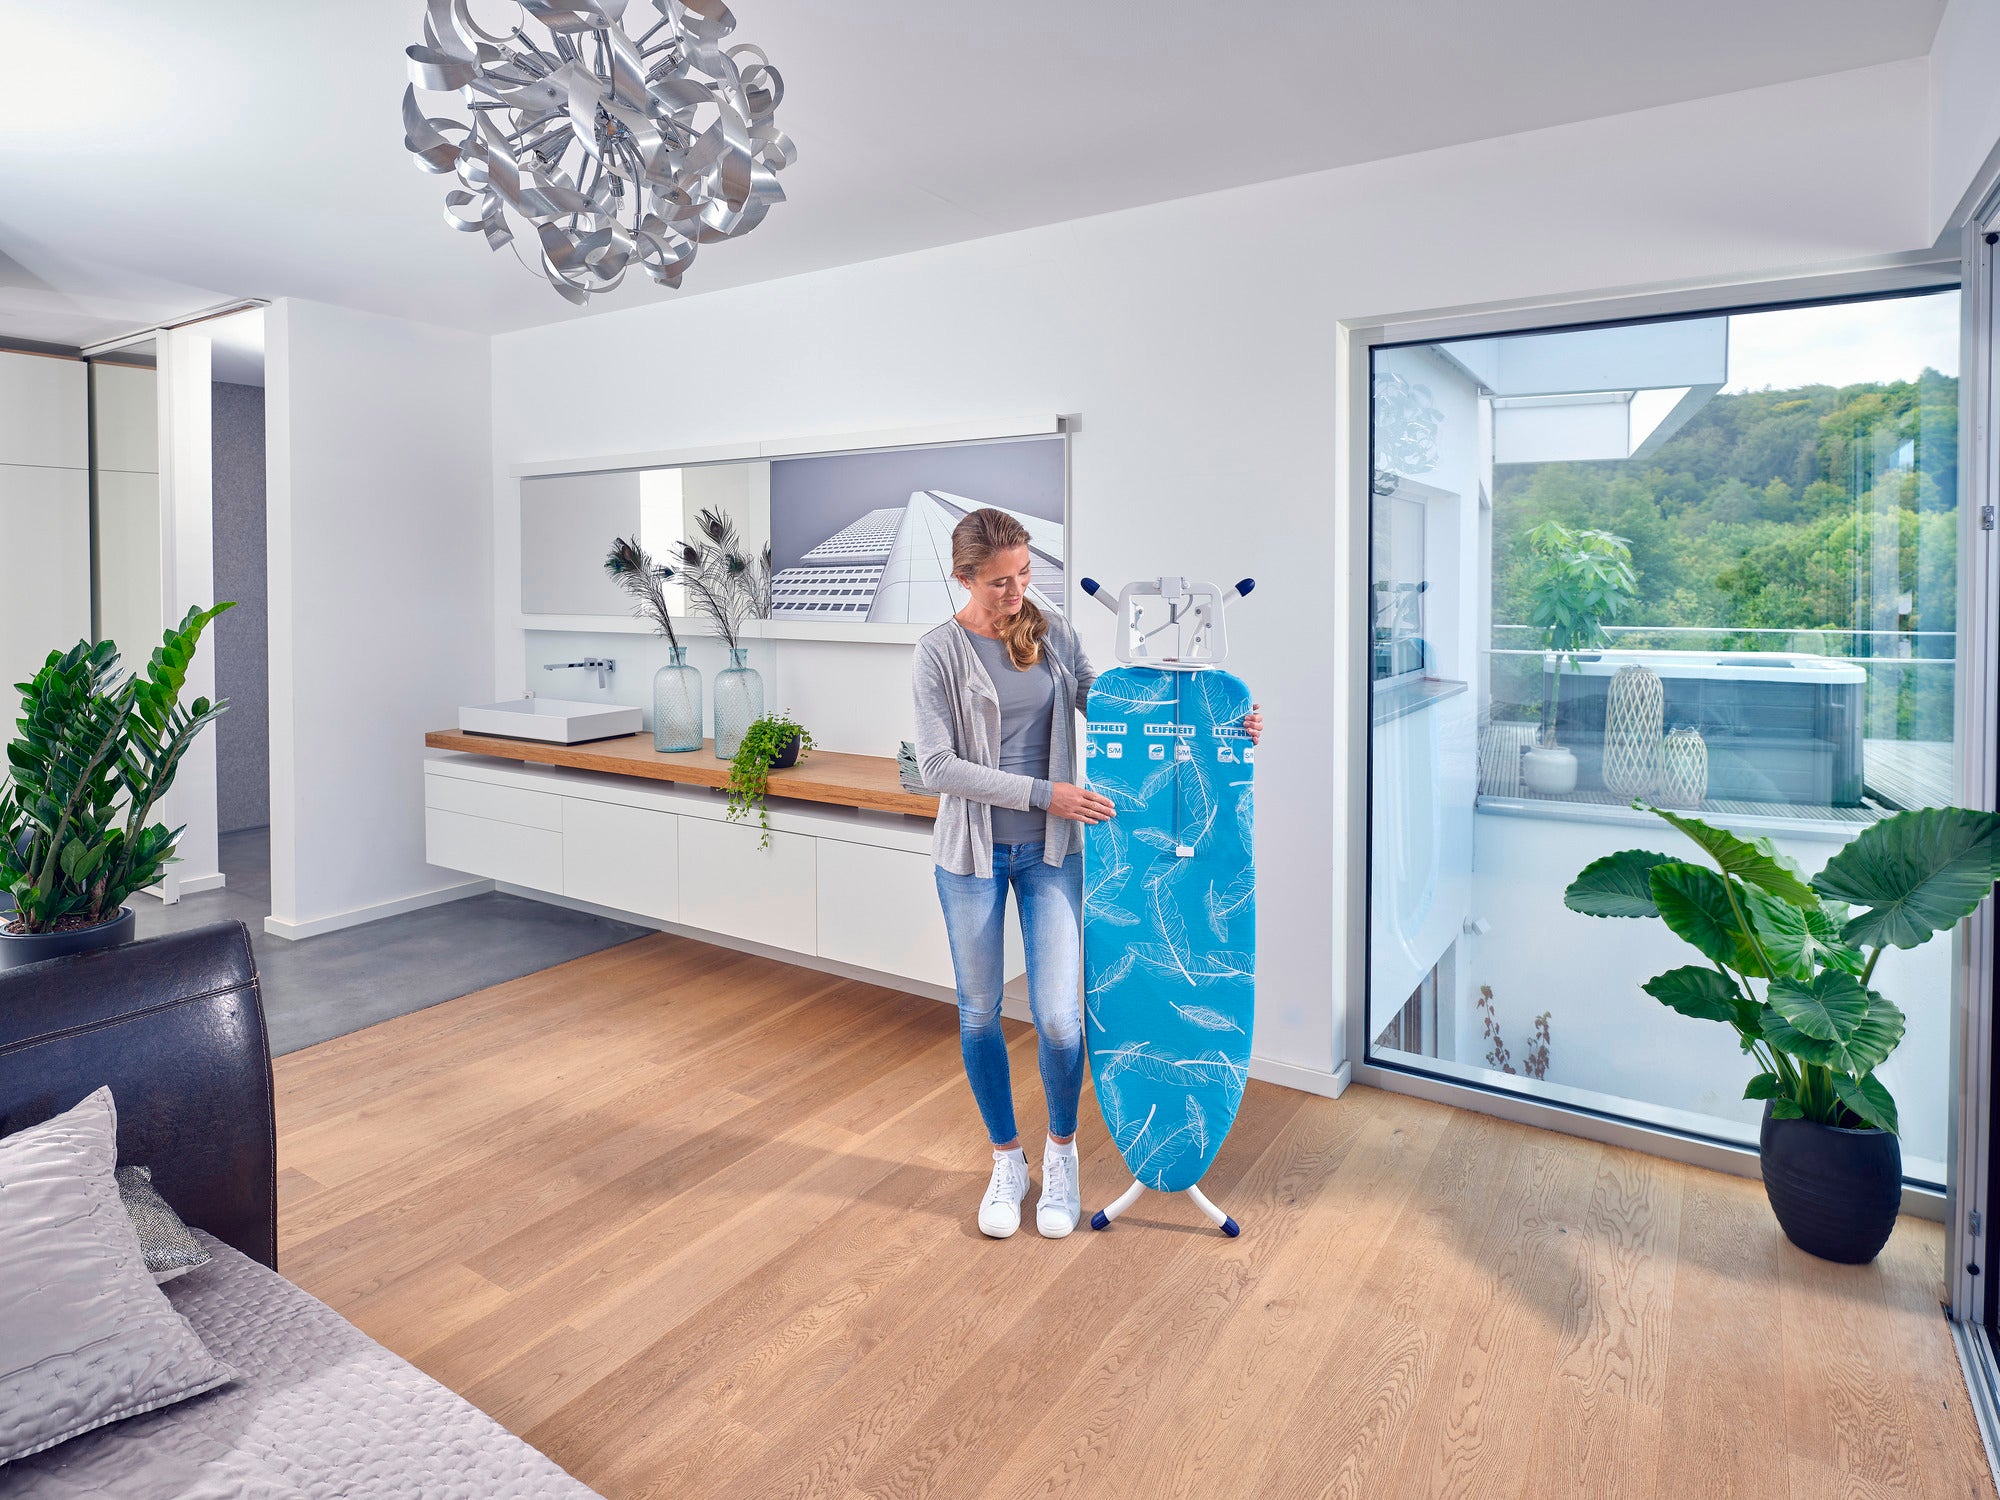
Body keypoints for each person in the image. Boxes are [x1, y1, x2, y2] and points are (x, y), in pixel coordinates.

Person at [912, 509, 1261, 1238]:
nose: (1016, 591)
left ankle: (1061, 1153)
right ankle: (1007, 1160)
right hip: (971, 857)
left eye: (1025, 574)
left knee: (1062, 1019)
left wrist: (1222, 722)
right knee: (979, 1013)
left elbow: (1117, 709)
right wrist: (1049, 794)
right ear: (966, 577)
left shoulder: (1053, 632)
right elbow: (938, 767)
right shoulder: (938, 653)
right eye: (1001, 581)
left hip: (1051, 854)